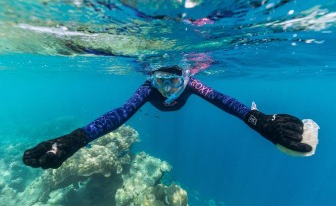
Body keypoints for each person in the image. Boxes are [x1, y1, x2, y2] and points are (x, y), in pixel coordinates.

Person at [23, 65, 313, 169]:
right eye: (160, 81)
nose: (167, 90)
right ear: (151, 77)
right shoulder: (148, 88)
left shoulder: (193, 85)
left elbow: (224, 102)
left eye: (175, 82)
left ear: (186, 78)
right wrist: (73, 141)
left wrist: (258, 121)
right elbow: (119, 115)